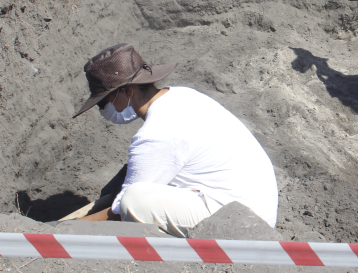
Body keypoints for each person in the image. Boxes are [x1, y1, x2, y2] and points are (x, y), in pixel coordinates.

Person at [72, 43, 279, 237]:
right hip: (254, 210)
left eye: (103, 102)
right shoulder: (182, 95)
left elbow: (120, 212)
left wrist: (70, 229)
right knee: (126, 180)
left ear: (127, 91)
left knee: (133, 201)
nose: (103, 110)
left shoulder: (157, 133)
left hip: (240, 227)